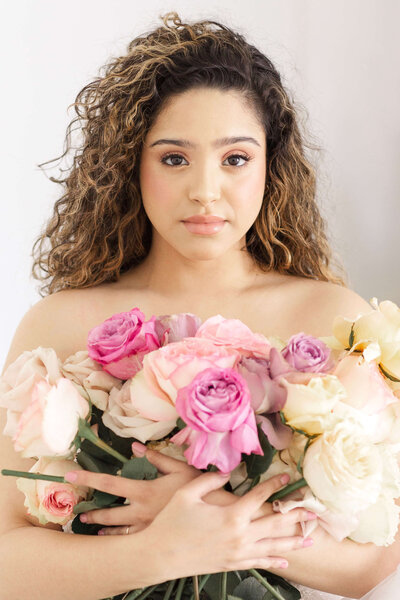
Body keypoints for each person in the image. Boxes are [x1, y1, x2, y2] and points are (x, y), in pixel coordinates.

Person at [0, 11, 398, 600]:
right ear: (130, 166)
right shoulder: (59, 324)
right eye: (174, 158)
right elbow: (7, 558)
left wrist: (222, 519)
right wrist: (158, 551)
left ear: (271, 165)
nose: (205, 190)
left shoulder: (331, 318)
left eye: (235, 159)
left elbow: (375, 561)